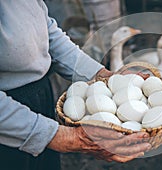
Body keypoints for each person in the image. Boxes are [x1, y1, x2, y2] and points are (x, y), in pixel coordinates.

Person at [0, 1, 151, 170]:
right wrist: (58, 136)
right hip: (7, 118)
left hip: (39, 97)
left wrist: (102, 76)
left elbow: (45, 29)